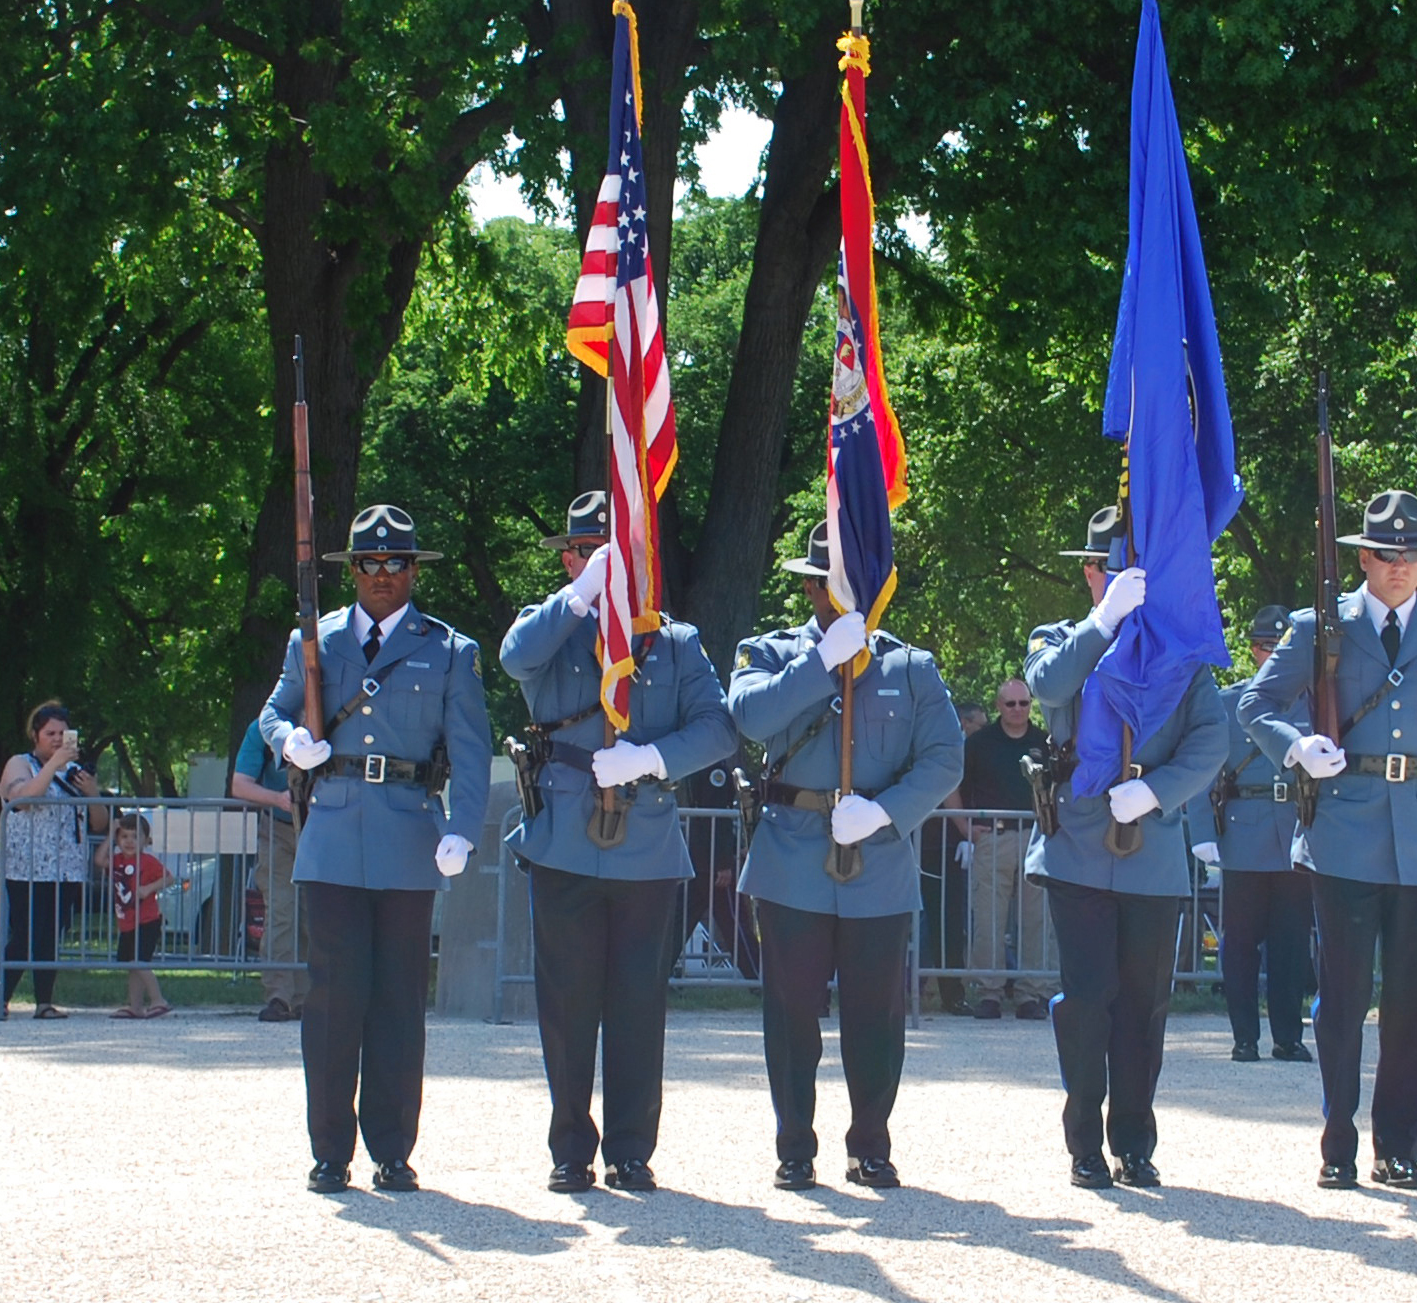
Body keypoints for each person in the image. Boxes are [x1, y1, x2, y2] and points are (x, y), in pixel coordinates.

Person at [1240, 490, 1417, 1192]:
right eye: (1388, 554)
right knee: (1342, 993)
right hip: (1345, 830)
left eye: (1414, 554)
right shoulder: (1320, 627)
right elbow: (1254, 704)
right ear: (1364, 557)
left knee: (1415, 1002)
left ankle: (1399, 1145)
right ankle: (1339, 1141)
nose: (1402, 566)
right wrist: (1296, 746)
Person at [500, 491, 739, 1194]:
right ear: (571, 558)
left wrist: (649, 758)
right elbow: (515, 659)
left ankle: (632, 1149)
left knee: (638, 1004)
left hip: (645, 845)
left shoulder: (674, 641)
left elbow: (718, 728)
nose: (594, 560)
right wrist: (578, 596)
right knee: (567, 1005)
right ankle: (571, 1147)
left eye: (610, 550)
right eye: (581, 550)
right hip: (564, 842)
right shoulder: (551, 629)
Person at [261, 503, 492, 1195]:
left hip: (408, 830)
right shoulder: (317, 642)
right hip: (331, 831)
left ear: (414, 569)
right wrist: (287, 742)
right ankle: (330, 1150)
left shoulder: (449, 649)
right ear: (352, 571)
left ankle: (392, 1147)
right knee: (332, 997)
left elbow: (473, 753)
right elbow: (273, 711)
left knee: (397, 999)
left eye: (396, 563)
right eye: (369, 562)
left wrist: (463, 827)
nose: (383, 575)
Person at [728, 520, 963, 1192]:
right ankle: (794, 1146)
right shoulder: (769, 653)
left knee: (876, 1018)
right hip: (791, 857)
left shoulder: (909, 666)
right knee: (791, 1013)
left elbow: (946, 757)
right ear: (808, 588)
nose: (837, 597)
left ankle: (870, 1145)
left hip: (878, 863)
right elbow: (749, 719)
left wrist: (886, 811)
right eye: (825, 585)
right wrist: (820, 662)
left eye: (848, 586)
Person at [1024, 507, 1226, 1191]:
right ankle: (1084, 1141)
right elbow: (1049, 687)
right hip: (1077, 844)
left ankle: (1134, 1141)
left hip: (1153, 850)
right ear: (1091, 572)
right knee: (1088, 998)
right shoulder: (1061, 636)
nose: (1127, 581)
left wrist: (1160, 791)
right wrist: (1106, 621)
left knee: (1144, 1003)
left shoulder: (1185, 653)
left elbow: (1210, 743)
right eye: (1113, 570)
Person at [1189, 605, 1314, 1063]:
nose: (1271, 655)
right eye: (1265, 647)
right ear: (1253, 651)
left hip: (1298, 831)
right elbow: (1202, 770)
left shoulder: (1317, 705)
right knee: (1239, 944)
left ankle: (1288, 1036)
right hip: (1243, 831)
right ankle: (1244, 1036)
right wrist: (1202, 832)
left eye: (1281, 648)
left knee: (1291, 943)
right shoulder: (1229, 703)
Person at [0, 701, 109, 1020]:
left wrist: (93, 792)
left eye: (63, 733)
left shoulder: (77, 773)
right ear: (35, 735)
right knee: (25, 934)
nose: (57, 739)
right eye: (50, 733)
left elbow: (98, 824)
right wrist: (53, 764)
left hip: (67, 868)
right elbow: (25, 800)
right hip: (27, 866)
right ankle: (0, 999)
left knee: (51, 936)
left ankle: (44, 1002)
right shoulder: (20, 763)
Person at [950, 677, 1054, 1019]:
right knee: (988, 920)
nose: (1018, 710)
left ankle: (1031, 994)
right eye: (1010, 704)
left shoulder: (1046, 742)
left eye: (1024, 703)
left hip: (1037, 838)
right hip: (992, 839)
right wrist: (965, 829)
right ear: (998, 706)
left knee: (1037, 920)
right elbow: (953, 786)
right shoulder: (978, 743)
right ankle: (988, 993)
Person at [231, 716, 307, 1022]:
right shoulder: (262, 727)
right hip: (276, 827)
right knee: (280, 911)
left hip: (323, 829)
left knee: (320, 911)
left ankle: (311, 996)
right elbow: (240, 785)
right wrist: (278, 798)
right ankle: (279, 996)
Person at [93, 813, 171, 1019]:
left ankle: (158, 1000)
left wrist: (148, 888)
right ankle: (135, 1006)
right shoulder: (117, 860)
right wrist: (110, 834)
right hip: (127, 921)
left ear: (145, 840)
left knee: (140, 962)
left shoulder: (148, 861)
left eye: (135, 836)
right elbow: (99, 859)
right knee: (132, 964)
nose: (129, 841)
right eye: (124, 836)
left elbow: (168, 878)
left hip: (147, 920)